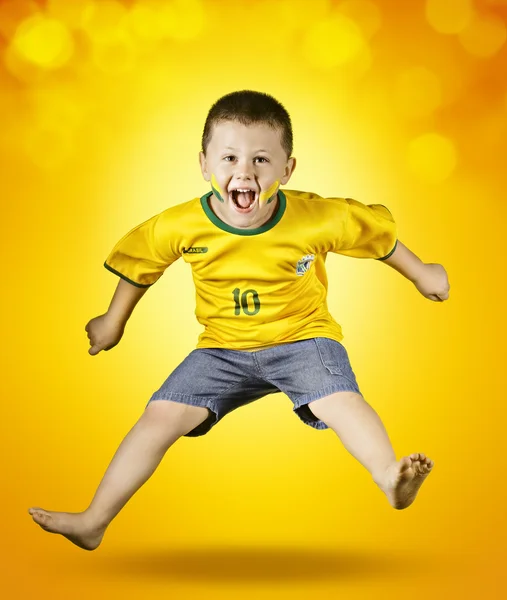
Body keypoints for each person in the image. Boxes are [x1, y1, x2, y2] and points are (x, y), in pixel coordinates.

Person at [28, 90, 450, 551]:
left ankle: (389, 475)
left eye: (261, 160)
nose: (243, 172)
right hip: (221, 350)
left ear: (287, 170)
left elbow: (376, 236)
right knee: (158, 416)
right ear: (205, 164)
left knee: (340, 400)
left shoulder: (317, 217)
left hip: (302, 338)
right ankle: (94, 521)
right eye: (229, 157)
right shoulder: (180, 225)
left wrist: (422, 272)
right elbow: (139, 264)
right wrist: (113, 321)